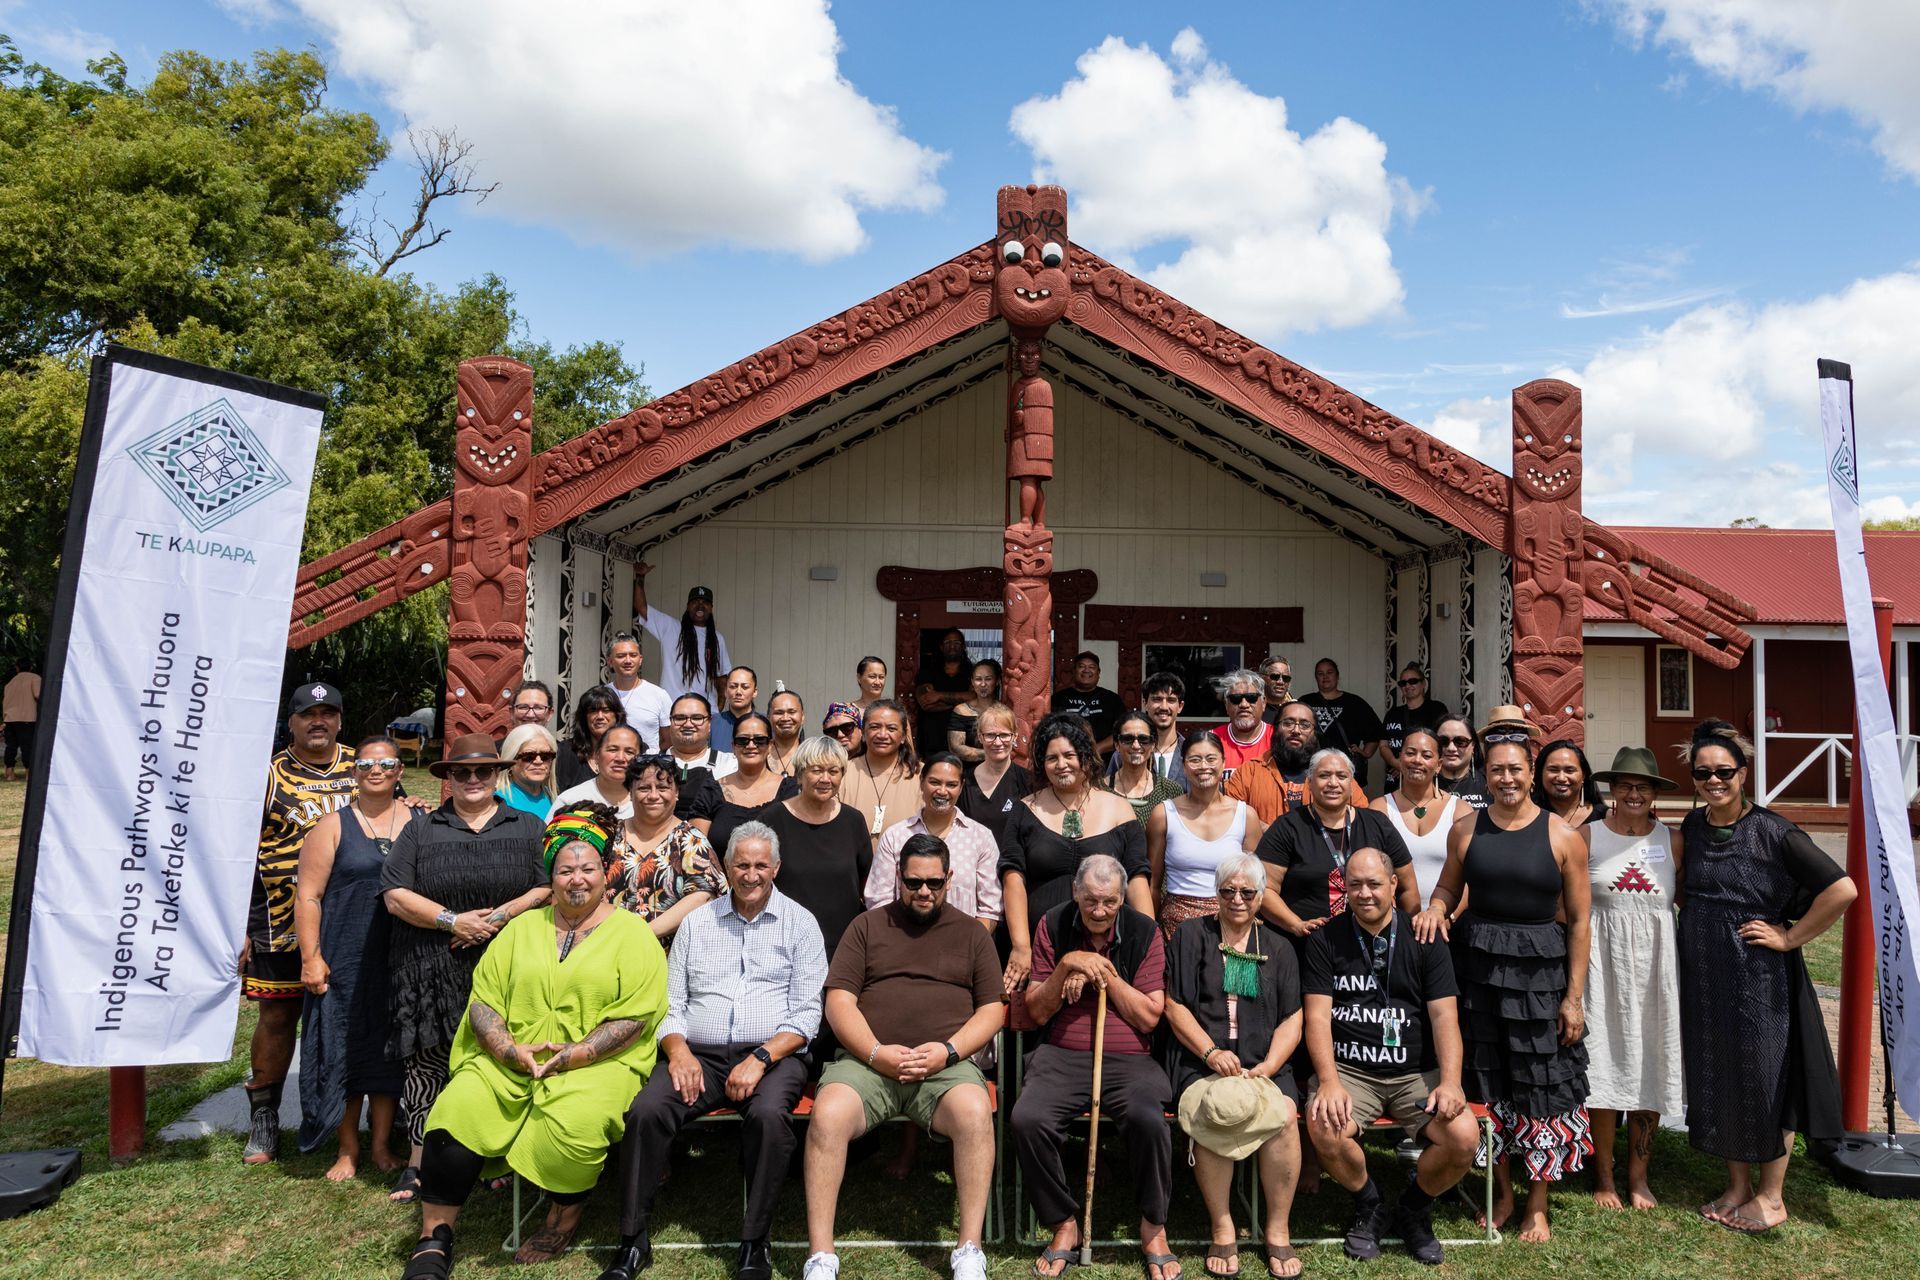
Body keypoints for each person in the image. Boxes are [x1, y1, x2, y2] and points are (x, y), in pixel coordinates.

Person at [398, 811, 668, 1276]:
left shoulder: (634, 934)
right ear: (551, 877)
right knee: (456, 1112)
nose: (576, 879)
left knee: (574, 1122)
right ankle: (434, 1236)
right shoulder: (522, 928)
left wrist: (573, 1056)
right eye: (565, 870)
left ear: (607, 873)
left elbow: (634, 1018)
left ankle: (562, 1217)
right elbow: (484, 1002)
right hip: (507, 1057)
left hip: (597, 1064)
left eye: (587, 869)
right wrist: (507, 1050)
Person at [603, 822, 829, 1280]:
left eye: (760, 865)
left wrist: (761, 1058)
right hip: (698, 1055)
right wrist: (678, 1051)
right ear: (726, 868)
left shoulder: (802, 923)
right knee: (646, 1111)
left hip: (773, 1056)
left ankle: (754, 1244)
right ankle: (632, 1241)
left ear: (776, 868)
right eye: (741, 865)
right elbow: (673, 1003)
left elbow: (807, 1015)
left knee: (769, 1119)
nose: (751, 874)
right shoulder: (697, 923)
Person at [1675, 719, 1853, 1235]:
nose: (1714, 781)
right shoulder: (1694, 826)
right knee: (1721, 1072)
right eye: (1703, 773)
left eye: (1724, 772)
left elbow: (1841, 890)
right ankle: (1737, 1186)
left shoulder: (1776, 832)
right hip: (1706, 973)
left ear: (1743, 773)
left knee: (1765, 1075)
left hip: (1758, 976)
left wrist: (1789, 937)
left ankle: (1771, 1196)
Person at [1412, 736, 1591, 1243]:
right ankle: (1503, 1190)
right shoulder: (1466, 829)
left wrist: (1573, 997)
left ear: (1531, 774)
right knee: (1488, 1078)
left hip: (1541, 975)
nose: (1506, 779)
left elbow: (1579, 923)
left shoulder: (1563, 837)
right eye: (1496, 771)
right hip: (1479, 968)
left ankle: (1538, 1202)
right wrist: (1436, 908)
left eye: (1515, 770)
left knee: (1538, 1082)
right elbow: (1449, 886)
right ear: (1483, 775)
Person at [803, 835, 1004, 1280]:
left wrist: (949, 1051)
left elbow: (993, 1008)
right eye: (913, 882)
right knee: (829, 1115)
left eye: (934, 882)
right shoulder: (867, 926)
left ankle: (969, 1249)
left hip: (944, 1067)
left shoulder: (972, 932)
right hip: (867, 1063)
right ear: (898, 877)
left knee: (974, 1113)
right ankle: (821, 1256)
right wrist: (876, 1053)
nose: (924, 891)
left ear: (950, 879)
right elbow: (839, 1001)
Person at [382, 735, 552, 1205]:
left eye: (482, 772)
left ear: (497, 775)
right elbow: (395, 894)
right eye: (462, 772)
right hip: (429, 966)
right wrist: (453, 921)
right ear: (448, 778)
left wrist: (494, 919)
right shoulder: (422, 829)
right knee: (429, 1063)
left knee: (498, 1059)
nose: (473, 780)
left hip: (505, 968)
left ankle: (494, 1159)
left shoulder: (528, 826)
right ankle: (419, 1164)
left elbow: (547, 887)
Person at [1303, 848, 1477, 1267]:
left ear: (1394, 885)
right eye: (1355, 885)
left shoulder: (1425, 937)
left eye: (1374, 884)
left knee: (1464, 1137)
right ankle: (1371, 1204)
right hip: (1350, 1071)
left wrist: (1451, 1081)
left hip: (1415, 1072)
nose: (1365, 894)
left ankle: (1414, 1207)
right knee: (1325, 1126)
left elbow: (1443, 1018)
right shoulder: (1326, 938)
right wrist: (1327, 1081)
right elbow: (1317, 1018)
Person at [1014, 855, 1177, 1280]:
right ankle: (1064, 1223)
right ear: (1075, 892)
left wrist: (1104, 973)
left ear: (1123, 898)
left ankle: (1153, 1227)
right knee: (1028, 1119)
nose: (1099, 911)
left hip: (1129, 1060)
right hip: (1061, 1055)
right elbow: (1035, 1011)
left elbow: (1148, 1017)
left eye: (1109, 902)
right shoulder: (1053, 923)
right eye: (1090, 901)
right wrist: (1069, 964)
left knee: (1148, 1121)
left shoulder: (1145, 932)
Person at [1163, 854, 1305, 1279]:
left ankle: (1277, 1229)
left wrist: (1269, 1065)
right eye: (1228, 891)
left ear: (1262, 897)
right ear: (1216, 894)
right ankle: (1223, 1224)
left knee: (1284, 1116)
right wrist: (1210, 1052)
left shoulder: (1279, 947)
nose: (1238, 899)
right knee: (1218, 1108)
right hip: (1200, 1061)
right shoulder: (1191, 936)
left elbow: (1292, 1018)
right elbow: (1174, 1006)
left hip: (1264, 1063)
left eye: (1247, 892)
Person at [241, 681, 359, 1164]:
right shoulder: (266, 774)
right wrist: (238, 923)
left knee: (358, 1014)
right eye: (308, 714)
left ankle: (360, 1121)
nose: (319, 721)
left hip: (352, 916)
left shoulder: (362, 766)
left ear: (339, 719)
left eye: (328, 712)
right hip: (280, 916)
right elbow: (235, 851)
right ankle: (265, 1118)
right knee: (278, 1016)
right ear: (290, 722)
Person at [295, 734, 410, 1180]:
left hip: (399, 955)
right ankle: (347, 1148)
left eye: (385, 764)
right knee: (343, 1047)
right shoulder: (332, 826)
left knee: (386, 1049)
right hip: (344, 954)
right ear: (354, 772)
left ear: (400, 771)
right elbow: (308, 895)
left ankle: (381, 1145)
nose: (375, 771)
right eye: (365, 765)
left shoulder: (418, 820)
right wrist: (311, 956)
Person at [1582, 746, 1685, 1212]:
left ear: (1654, 793)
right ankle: (1603, 1176)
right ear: (1612, 790)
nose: (1633, 793)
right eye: (1625, 785)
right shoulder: (1587, 837)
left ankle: (1638, 1176)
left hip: (1655, 968)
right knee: (1602, 1065)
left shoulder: (1672, 840)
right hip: (1602, 965)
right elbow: (1571, 907)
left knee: (1651, 1062)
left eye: (1642, 786)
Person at [1001, 715, 1154, 995]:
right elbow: (1013, 876)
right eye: (1051, 758)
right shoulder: (1025, 810)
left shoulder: (1119, 809)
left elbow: (1137, 878)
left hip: (1108, 945)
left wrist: (1149, 943)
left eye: (1069, 755)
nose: (1061, 764)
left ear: (1086, 756)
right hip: (1042, 948)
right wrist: (1021, 945)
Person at [1254, 750, 1420, 950]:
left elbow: (1407, 886)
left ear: (1352, 784)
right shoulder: (1288, 827)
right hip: (1304, 945)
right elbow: (1265, 889)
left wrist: (1407, 935)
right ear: (1310, 782)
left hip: (1370, 945)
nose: (1333, 783)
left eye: (1341, 776)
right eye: (1324, 775)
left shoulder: (1377, 824)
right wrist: (1296, 924)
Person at [762, 735, 874, 957]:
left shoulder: (853, 820)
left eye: (833, 771)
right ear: (800, 775)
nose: (825, 779)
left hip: (843, 946)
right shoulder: (772, 819)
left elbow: (866, 883)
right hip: (783, 944)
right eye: (816, 770)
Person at [1149, 732, 1265, 940]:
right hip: (1176, 928)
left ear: (1223, 763)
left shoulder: (1245, 815)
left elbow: (1256, 883)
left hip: (1232, 921)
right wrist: (1150, 932)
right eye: (1195, 760)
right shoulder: (1164, 813)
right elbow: (1153, 884)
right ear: (1183, 766)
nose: (1204, 766)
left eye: (1211, 759)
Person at [866, 754, 1001, 926]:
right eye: (935, 782)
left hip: (962, 947)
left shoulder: (981, 838)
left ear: (961, 788)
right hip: (904, 944)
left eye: (951, 785)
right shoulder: (895, 836)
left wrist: (968, 945)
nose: (942, 791)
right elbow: (879, 902)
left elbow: (990, 908)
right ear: (921, 782)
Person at [608, 755, 726, 943]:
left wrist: (642, 934)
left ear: (677, 792)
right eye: (644, 788)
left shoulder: (690, 840)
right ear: (630, 793)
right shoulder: (610, 835)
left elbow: (704, 895)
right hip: (608, 948)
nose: (653, 795)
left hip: (668, 957)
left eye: (663, 788)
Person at [1227, 699, 1365, 826]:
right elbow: (1228, 819)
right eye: (1288, 723)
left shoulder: (1337, 775)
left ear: (1315, 734)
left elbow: (1362, 818)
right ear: (1275, 729)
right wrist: (1264, 831)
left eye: (1305, 725)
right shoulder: (1249, 773)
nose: (1296, 731)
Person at [1370, 728, 1467, 905]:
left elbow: (1469, 878)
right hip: (1396, 923)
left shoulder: (1460, 811)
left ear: (1439, 765)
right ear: (1400, 758)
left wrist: (1448, 920)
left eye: (1427, 755)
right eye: (1410, 753)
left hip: (1447, 924)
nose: (1417, 760)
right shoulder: (1379, 808)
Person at [633, 569, 733, 705]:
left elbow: (722, 675)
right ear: (687, 606)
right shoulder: (670, 627)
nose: (700, 605)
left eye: (705, 602)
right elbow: (642, 608)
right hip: (673, 705)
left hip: (705, 709)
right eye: (695, 601)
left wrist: (720, 703)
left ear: (711, 608)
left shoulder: (717, 638)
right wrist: (639, 578)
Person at [710, 712, 798, 856]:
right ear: (733, 746)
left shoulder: (790, 790)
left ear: (770, 745)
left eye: (759, 740)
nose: (751, 745)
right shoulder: (711, 790)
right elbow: (698, 850)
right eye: (742, 740)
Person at [840, 698, 919, 845]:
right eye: (875, 727)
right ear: (863, 733)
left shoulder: (921, 776)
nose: (882, 735)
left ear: (903, 737)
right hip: (852, 865)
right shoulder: (843, 772)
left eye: (891, 728)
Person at [1297, 658, 1381, 784]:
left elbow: (1376, 732)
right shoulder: (1305, 701)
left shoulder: (1354, 703)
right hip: (1310, 769)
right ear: (1316, 678)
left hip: (1344, 771)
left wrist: (1365, 753)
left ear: (1337, 675)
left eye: (1329, 672)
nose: (1325, 677)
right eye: (1320, 673)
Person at [960, 702, 1030, 841]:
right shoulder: (964, 782)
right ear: (980, 737)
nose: (998, 743)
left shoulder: (1027, 781)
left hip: (1012, 861)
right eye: (990, 735)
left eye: (1004, 735)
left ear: (1015, 736)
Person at [1377, 664, 1449, 792]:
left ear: (1423, 684)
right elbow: (1383, 745)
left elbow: (1443, 743)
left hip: (1425, 777)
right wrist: (1397, 763)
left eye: (1413, 681)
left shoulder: (1436, 709)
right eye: (1403, 683)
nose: (1408, 686)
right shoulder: (1393, 713)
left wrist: (1408, 766)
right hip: (1394, 779)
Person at [1115, 670, 1189, 789]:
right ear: (1145, 703)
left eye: (1170, 700)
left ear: (1180, 706)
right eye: (1157, 699)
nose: (1164, 707)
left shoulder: (1191, 753)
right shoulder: (1125, 752)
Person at [555, 724, 644, 818]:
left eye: (629, 752)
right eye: (613, 750)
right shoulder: (570, 800)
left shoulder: (651, 802)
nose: (620, 758)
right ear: (597, 755)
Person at [1111, 711, 1188, 820]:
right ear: (1117, 745)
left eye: (1144, 739)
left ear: (1153, 745)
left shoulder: (1170, 790)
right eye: (1127, 739)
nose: (1136, 746)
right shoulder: (1100, 789)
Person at [605, 632, 674, 754]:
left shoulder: (659, 695)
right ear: (610, 661)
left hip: (646, 767)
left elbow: (668, 739)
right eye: (621, 656)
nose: (628, 660)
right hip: (611, 766)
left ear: (640, 660)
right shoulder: (602, 695)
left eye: (633, 655)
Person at [1050, 651, 1127, 758]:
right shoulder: (1058, 699)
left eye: (1092, 667)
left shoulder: (1112, 699)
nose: (1086, 670)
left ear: (1098, 673)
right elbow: (1049, 730)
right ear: (1073, 671)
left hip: (1104, 763)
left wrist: (1097, 749)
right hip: (1068, 759)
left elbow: (1124, 731)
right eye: (1081, 666)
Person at [914, 630, 975, 758]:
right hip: (933, 741)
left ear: (963, 646)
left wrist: (939, 696)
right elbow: (926, 703)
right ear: (941, 647)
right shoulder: (928, 672)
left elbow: (975, 698)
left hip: (966, 741)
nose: (952, 646)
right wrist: (961, 702)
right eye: (948, 642)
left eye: (956, 642)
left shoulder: (972, 672)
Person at [558, 685, 626, 792]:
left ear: (617, 716)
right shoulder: (566, 751)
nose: (600, 716)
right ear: (584, 717)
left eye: (606, 710)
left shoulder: (633, 750)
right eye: (593, 711)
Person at [1210, 669, 1272, 778]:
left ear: (1263, 703)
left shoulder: (1278, 739)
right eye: (1236, 699)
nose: (1244, 704)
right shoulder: (1211, 740)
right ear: (1226, 705)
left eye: (1251, 697)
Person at [664, 692, 737, 782]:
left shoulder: (729, 765)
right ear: (670, 722)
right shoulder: (652, 764)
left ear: (710, 723)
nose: (688, 724)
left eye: (697, 718)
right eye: (680, 718)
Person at [1534, 739, 1608, 827]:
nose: (1561, 778)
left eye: (1569, 770)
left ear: (1583, 775)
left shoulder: (1604, 817)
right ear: (1540, 773)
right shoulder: (1527, 816)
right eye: (1553, 770)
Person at [497, 723, 559, 822]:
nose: (538, 761)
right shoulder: (498, 801)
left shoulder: (555, 799)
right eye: (528, 756)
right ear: (511, 761)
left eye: (545, 756)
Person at [947, 659, 1003, 765]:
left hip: (999, 770)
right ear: (972, 682)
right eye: (978, 679)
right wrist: (993, 753)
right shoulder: (961, 711)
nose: (982, 684)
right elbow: (955, 748)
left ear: (996, 681)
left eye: (988, 679)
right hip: (969, 773)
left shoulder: (1004, 711)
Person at [1432, 715, 1490, 811]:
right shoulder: (1422, 784)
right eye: (1443, 741)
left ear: (1473, 746)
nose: (1451, 748)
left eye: (1460, 741)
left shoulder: (1489, 782)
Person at [2, 660, 37, 781]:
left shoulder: (10, 683)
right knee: (27, 746)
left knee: (11, 746)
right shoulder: (35, 678)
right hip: (27, 718)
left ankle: (9, 772)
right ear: (31, 667)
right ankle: (29, 772)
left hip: (10, 719)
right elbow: (38, 694)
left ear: (17, 668)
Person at [714, 665, 759, 752]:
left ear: (755, 692)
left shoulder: (765, 723)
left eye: (745, 687)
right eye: (733, 686)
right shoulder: (712, 723)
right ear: (726, 692)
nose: (738, 692)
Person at [767, 688, 806, 775]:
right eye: (779, 713)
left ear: (802, 717)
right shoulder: (759, 753)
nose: (785, 718)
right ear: (769, 717)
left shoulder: (812, 755)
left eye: (792, 712)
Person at [1258, 657, 1293, 725]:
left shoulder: (1295, 710)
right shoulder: (1254, 709)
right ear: (1262, 678)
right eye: (1275, 677)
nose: (1280, 682)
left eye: (1286, 678)